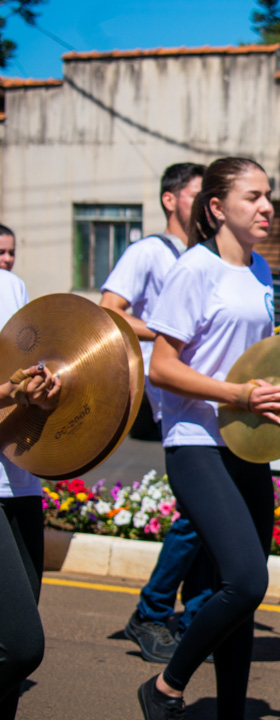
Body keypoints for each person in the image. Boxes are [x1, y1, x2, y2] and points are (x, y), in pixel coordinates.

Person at [137, 157, 280, 720]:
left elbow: (253, 358)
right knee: (247, 581)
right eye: (253, 196)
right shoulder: (194, 268)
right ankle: (166, 686)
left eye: (268, 196)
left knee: (242, 598)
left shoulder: (259, 271)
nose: (266, 206)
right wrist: (238, 395)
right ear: (216, 207)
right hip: (195, 442)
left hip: (246, 444)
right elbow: (161, 366)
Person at [101, 162, 211, 664]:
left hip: (209, 393)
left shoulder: (209, 256)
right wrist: (164, 330)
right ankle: (153, 611)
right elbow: (108, 309)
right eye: (196, 194)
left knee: (209, 512)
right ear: (171, 200)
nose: (207, 202)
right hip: (167, 392)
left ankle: (194, 616)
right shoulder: (149, 251)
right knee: (198, 510)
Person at [0, 264, 61, 720]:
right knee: (20, 647)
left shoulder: (10, 286)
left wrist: (43, 390)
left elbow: (28, 378)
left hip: (20, 481)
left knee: (11, 662)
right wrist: (10, 391)